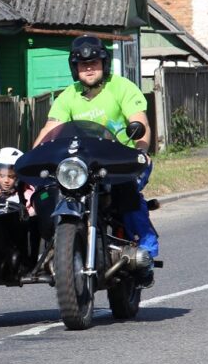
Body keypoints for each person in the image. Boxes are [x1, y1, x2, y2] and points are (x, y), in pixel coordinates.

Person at [32, 36, 158, 283]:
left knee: (130, 198)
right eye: (82, 64)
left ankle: (147, 254)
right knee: (49, 195)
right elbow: (50, 129)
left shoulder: (121, 87)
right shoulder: (68, 96)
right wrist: (33, 156)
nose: (89, 68)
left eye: (94, 62)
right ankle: (57, 252)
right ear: (74, 68)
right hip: (82, 167)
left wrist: (141, 151)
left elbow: (140, 121)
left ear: (104, 63)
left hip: (121, 163)